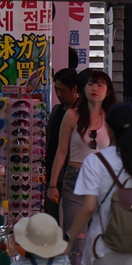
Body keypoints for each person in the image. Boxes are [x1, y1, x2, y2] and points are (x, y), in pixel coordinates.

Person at [66, 104, 132, 265]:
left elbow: (88, 208)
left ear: (107, 126)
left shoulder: (95, 162)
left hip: (104, 249)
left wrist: (70, 239)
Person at [49, 70, 115, 239]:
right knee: (77, 239)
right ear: (83, 89)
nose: (94, 88)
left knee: (98, 241)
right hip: (75, 179)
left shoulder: (110, 119)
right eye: (90, 84)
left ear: (107, 91)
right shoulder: (71, 115)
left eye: (100, 85)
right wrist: (53, 184)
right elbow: (61, 151)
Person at [44, 68, 80, 221]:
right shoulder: (56, 110)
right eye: (56, 89)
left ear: (75, 89)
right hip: (52, 172)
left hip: (69, 175)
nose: (58, 94)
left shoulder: (79, 114)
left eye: (62, 90)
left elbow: (64, 149)